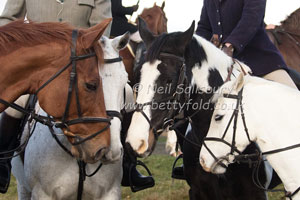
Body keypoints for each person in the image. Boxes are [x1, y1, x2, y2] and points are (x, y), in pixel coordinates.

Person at [0, 0, 152, 194]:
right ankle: (3, 160)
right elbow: (8, 18)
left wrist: (81, 49)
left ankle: (129, 165)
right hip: (40, 65)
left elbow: (101, 27)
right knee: (16, 102)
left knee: (128, 93)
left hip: (84, 60)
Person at [196, 0, 297, 89]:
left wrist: (230, 45)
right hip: (225, 66)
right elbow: (204, 28)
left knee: (294, 99)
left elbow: (252, 17)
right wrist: (196, 48)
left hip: (261, 62)